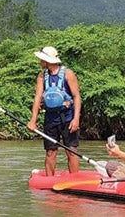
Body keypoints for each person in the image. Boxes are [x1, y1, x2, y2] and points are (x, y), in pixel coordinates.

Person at [27, 46, 81, 176]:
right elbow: (38, 98)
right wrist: (33, 120)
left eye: (42, 59)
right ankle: (49, 180)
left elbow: (76, 96)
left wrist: (76, 119)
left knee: (71, 151)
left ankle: (74, 180)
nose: (40, 62)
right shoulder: (42, 76)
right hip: (51, 119)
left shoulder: (68, 74)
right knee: (51, 151)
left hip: (68, 117)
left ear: (48, 60)